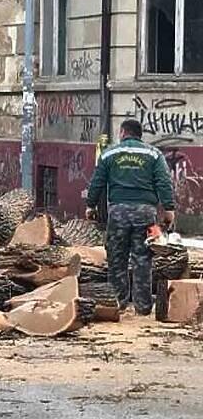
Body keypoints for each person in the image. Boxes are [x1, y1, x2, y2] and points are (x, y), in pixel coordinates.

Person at [85, 119, 175, 315]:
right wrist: (169, 209)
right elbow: (164, 182)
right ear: (140, 134)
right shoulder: (153, 154)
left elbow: (97, 182)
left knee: (117, 258)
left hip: (118, 212)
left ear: (123, 132)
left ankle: (118, 303)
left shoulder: (109, 153)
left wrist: (90, 206)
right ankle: (143, 307)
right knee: (143, 258)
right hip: (147, 214)